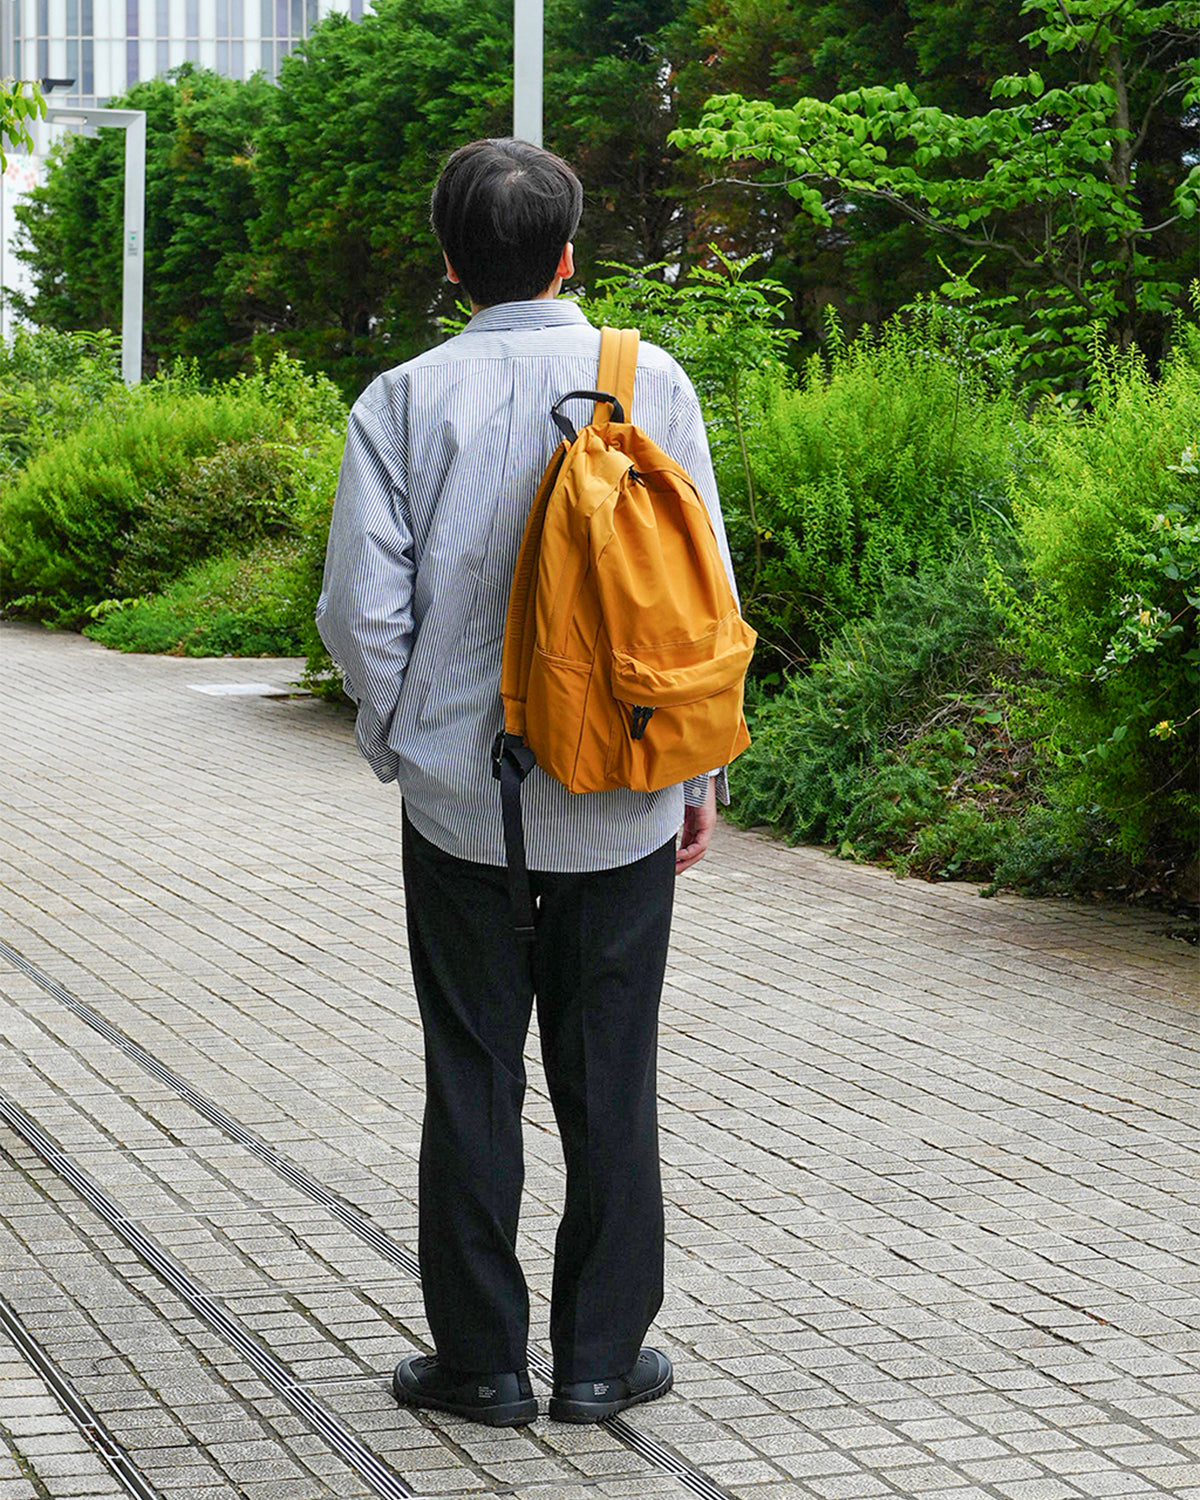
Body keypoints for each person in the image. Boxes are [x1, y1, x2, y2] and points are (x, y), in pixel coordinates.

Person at [316, 137, 737, 1427]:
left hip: (462, 807)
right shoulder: (646, 378)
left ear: (453, 263)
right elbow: (700, 586)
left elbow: (357, 614)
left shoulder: (398, 400)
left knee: (472, 1067)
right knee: (612, 1074)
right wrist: (697, 772)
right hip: (619, 798)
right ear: (569, 255)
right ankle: (603, 1362)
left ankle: (485, 1364)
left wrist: (406, 747)